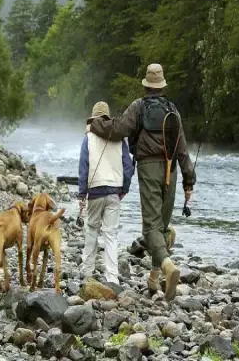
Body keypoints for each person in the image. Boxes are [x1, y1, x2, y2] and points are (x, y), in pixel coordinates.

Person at [87, 63, 196, 301]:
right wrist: (189, 182)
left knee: (151, 227)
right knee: (163, 226)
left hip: (149, 168)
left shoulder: (138, 106)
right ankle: (154, 279)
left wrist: (95, 124)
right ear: (162, 85)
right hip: (172, 169)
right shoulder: (172, 109)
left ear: (147, 85)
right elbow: (183, 149)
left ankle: (167, 267)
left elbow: (119, 129)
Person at [78, 101, 134, 285]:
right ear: (108, 118)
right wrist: (124, 188)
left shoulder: (88, 138)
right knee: (111, 234)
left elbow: (84, 168)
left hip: (94, 191)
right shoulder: (119, 138)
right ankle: (112, 278)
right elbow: (128, 166)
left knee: (92, 230)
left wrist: (81, 194)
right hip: (114, 191)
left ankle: (87, 272)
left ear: (93, 119)